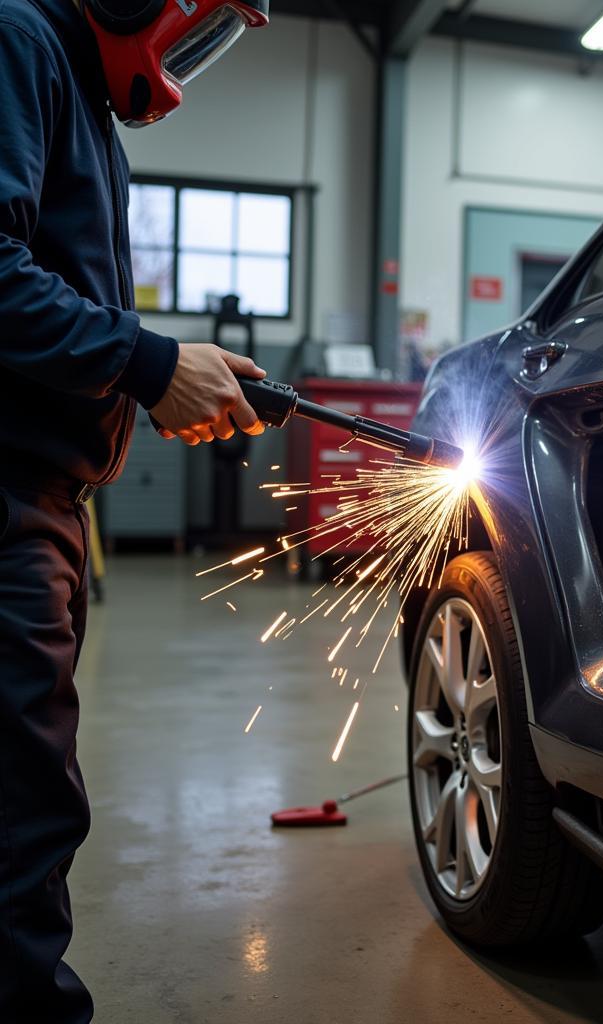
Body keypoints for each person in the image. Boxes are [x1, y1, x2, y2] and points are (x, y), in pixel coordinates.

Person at [0, 0, 269, 1018]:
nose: (191, 55)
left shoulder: (76, 101)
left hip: (43, 499)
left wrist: (157, 378)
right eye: (198, 24)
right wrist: (150, 364)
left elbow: (61, 302)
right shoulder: (20, 41)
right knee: (21, 813)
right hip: (10, 496)